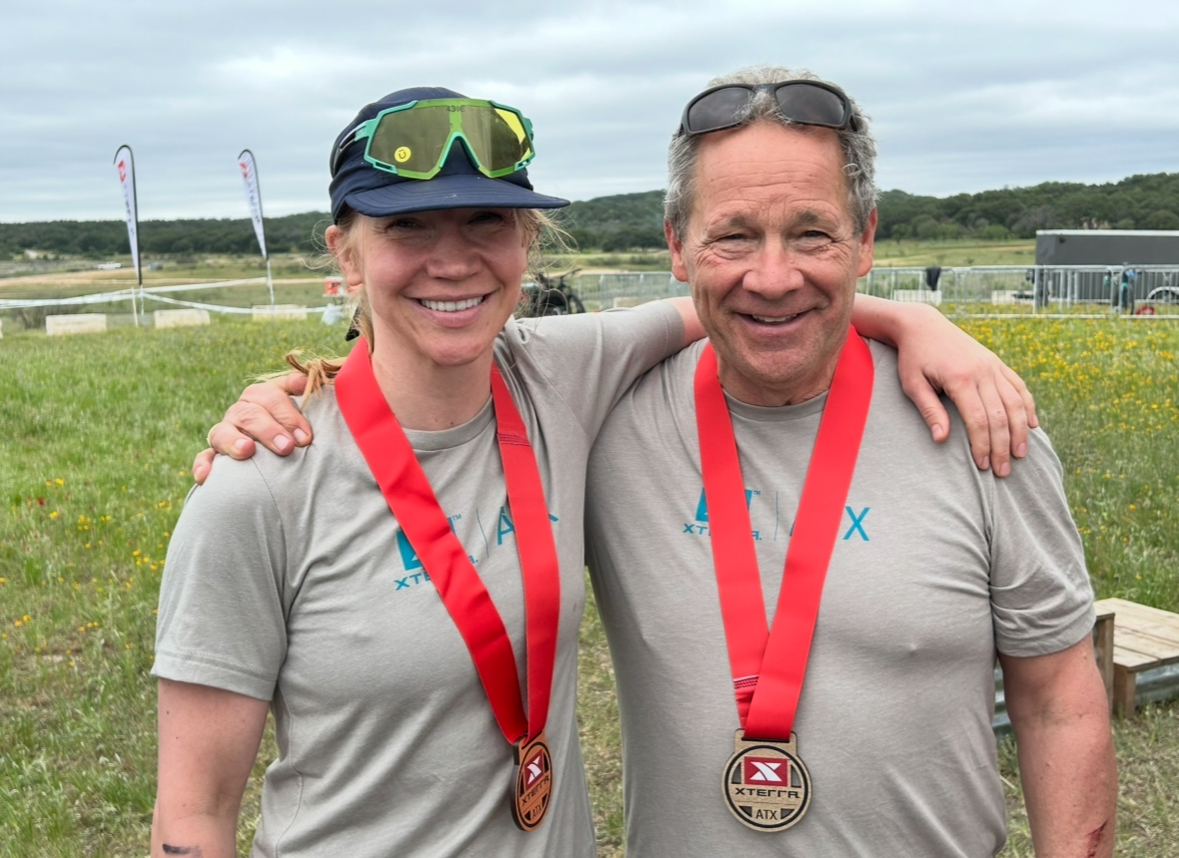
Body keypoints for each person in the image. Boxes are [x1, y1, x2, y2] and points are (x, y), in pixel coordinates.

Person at [188, 78, 1072, 856]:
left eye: (486, 221)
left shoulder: (564, 378)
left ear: (525, 242)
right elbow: (193, 812)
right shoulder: (264, 475)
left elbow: (749, 301)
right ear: (344, 254)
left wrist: (914, 321)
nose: (451, 260)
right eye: (406, 226)